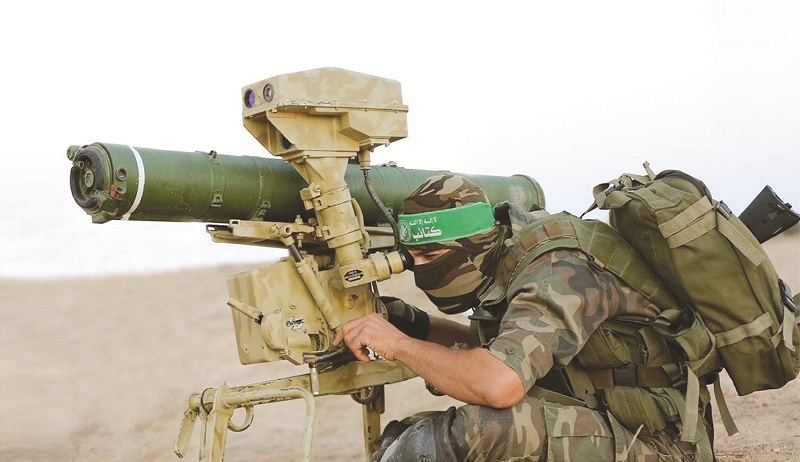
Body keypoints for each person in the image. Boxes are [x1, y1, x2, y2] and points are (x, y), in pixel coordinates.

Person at [334, 175, 715, 461]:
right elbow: (505, 350)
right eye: (412, 258)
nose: (420, 269)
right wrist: (415, 324)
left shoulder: (557, 271)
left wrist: (398, 345)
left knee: (456, 438)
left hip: (661, 442)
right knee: (406, 433)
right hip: (607, 418)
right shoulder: (509, 260)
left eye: (430, 257)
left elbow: (499, 383)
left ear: (474, 246)